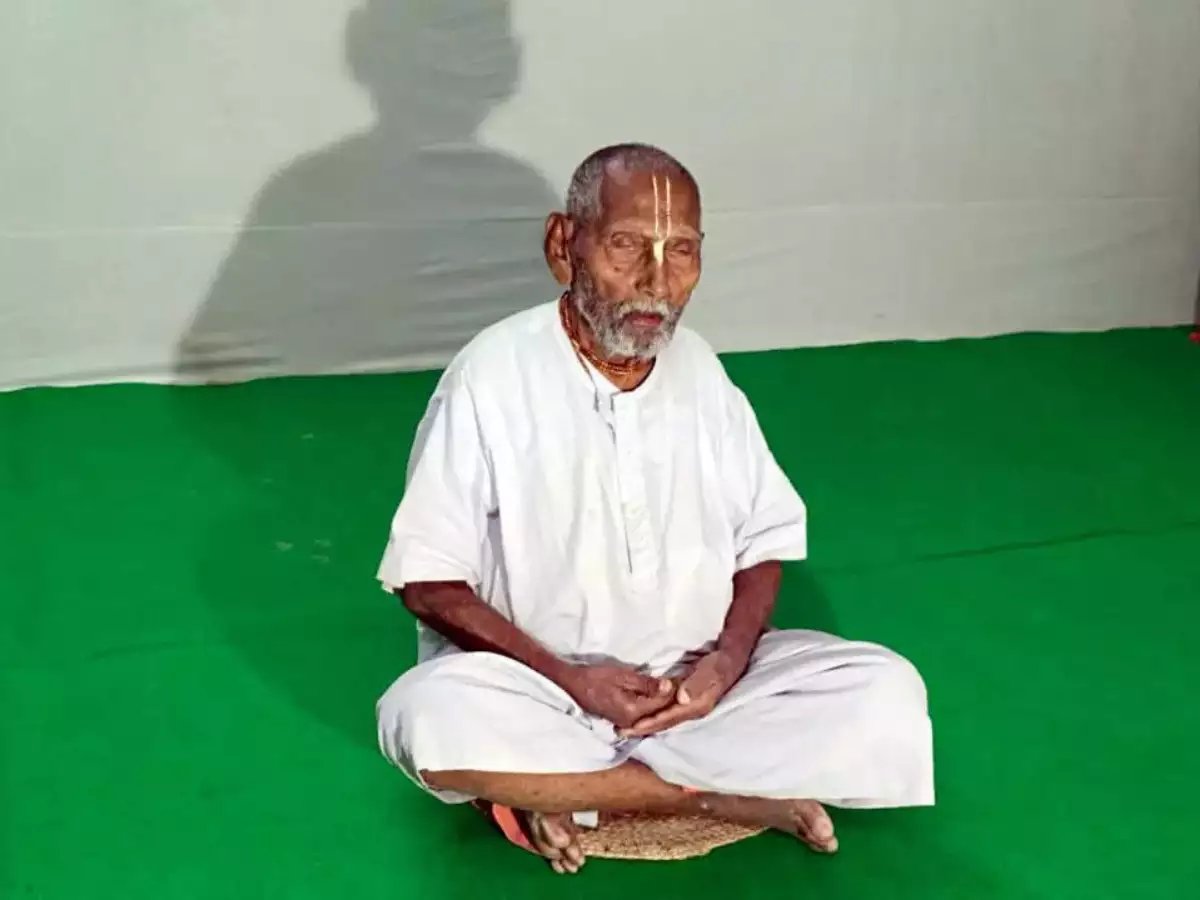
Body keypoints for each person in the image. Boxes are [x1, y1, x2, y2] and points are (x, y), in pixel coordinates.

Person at [375, 143, 934, 874]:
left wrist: (725, 664)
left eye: (682, 252)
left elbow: (764, 539)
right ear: (563, 246)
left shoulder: (698, 369)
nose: (656, 282)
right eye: (627, 245)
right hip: (544, 691)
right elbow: (427, 582)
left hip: (700, 696)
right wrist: (572, 680)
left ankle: (573, 790)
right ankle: (718, 796)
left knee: (886, 693)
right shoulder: (492, 374)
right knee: (427, 719)